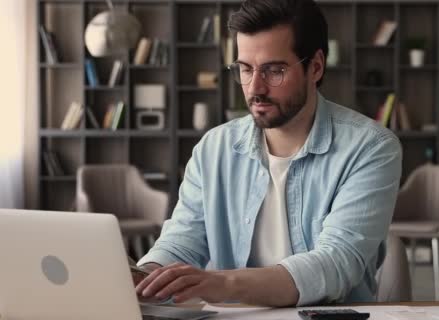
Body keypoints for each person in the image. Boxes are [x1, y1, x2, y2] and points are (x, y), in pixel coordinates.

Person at [134, 0, 402, 307]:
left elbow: (336, 262)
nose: (255, 88)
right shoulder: (213, 148)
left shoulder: (371, 147)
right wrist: (144, 277)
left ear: (315, 67)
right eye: (245, 69)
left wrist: (222, 284)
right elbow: (181, 241)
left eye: (274, 71)